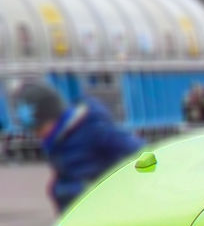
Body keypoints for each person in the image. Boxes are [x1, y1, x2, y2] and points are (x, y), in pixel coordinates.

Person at [13, 81, 143, 213]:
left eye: (40, 128)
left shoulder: (93, 129)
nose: (39, 135)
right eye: (34, 131)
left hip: (104, 205)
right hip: (80, 209)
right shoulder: (57, 141)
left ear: (54, 117)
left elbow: (136, 150)